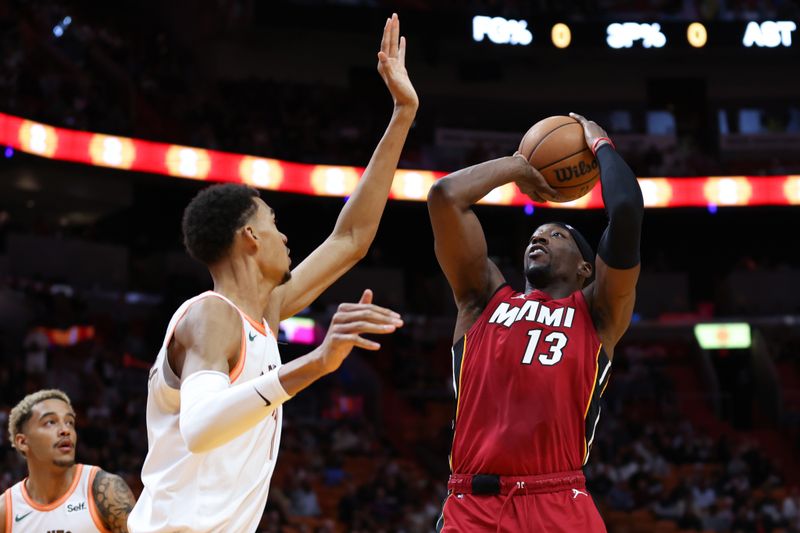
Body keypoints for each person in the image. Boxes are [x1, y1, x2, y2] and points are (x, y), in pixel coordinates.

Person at [127, 13, 417, 533]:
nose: (286, 237)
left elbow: (350, 239)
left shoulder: (263, 311)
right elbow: (199, 428)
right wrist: (316, 363)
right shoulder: (210, 317)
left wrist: (402, 113)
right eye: (274, 223)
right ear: (250, 237)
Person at [427, 113, 643, 532]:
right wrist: (517, 166)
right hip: (473, 505)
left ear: (585, 269)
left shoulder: (598, 312)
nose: (538, 238)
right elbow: (445, 196)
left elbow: (627, 212)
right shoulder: (482, 299)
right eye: (535, 235)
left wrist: (601, 148)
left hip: (559, 501)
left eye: (556, 235)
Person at [1, 389, 136, 533]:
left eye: (69, 422)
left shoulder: (104, 489)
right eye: (50, 422)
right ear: (23, 442)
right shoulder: (6, 510)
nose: (65, 430)